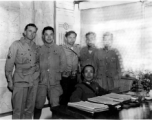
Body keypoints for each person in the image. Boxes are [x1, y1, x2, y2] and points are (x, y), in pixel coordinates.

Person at [5, 23, 40, 119]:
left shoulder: (35, 46)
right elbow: (9, 66)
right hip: (20, 81)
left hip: (33, 81)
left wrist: (37, 73)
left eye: (34, 32)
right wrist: (9, 81)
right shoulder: (16, 45)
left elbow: (37, 62)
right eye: (30, 31)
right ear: (24, 32)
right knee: (18, 110)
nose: (32, 34)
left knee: (29, 110)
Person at [34, 26, 67, 119]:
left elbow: (64, 64)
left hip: (55, 83)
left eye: (51, 34)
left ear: (54, 36)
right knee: (38, 104)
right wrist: (39, 72)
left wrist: (56, 73)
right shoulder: (39, 49)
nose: (49, 37)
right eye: (46, 34)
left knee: (55, 106)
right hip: (42, 82)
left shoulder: (59, 49)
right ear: (43, 36)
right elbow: (35, 63)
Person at [59, 31, 80, 105]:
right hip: (64, 77)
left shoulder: (77, 48)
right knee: (64, 97)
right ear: (65, 38)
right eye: (70, 37)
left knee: (73, 97)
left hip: (74, 77)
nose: (72, 39)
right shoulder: (60, 48)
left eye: (74, 37)